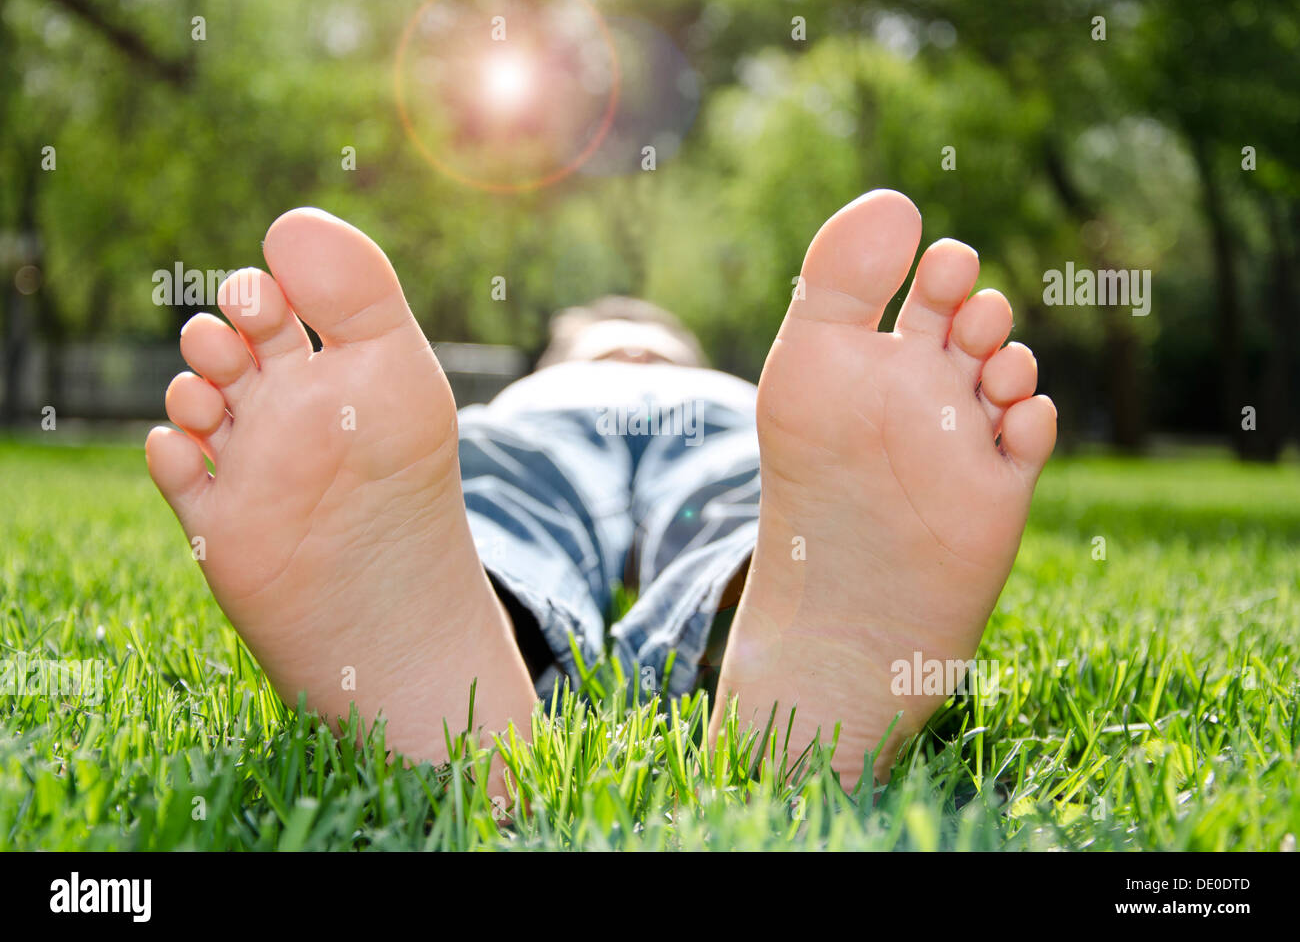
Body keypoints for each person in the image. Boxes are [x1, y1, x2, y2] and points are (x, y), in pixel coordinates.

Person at [145, 189, 1056, 793]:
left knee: (691, 483)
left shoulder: (672, 375)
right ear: (566, 346)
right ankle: (445, 600)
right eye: (609, 330)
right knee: (518, 472)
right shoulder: (563, 373)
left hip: (698, 416)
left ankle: (803, 596)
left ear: (673, 345)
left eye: (643, 331)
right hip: (593, 413)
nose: (628, 339)